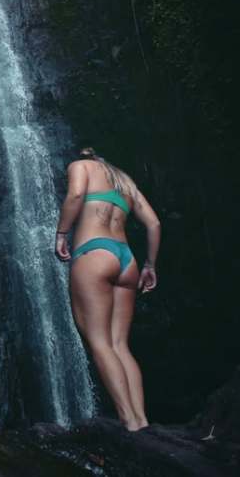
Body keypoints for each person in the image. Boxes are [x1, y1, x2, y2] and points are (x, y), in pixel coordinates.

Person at [54, 146, 161, 431]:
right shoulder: (124, 181)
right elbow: (154, 223)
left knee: (100, 342)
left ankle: (128, 422)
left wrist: (61, 233)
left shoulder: (81, 167)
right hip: (127, 260)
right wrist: (150, 265)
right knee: (120, 345)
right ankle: (142, 421)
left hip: (94, 252)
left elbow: (76, 195)